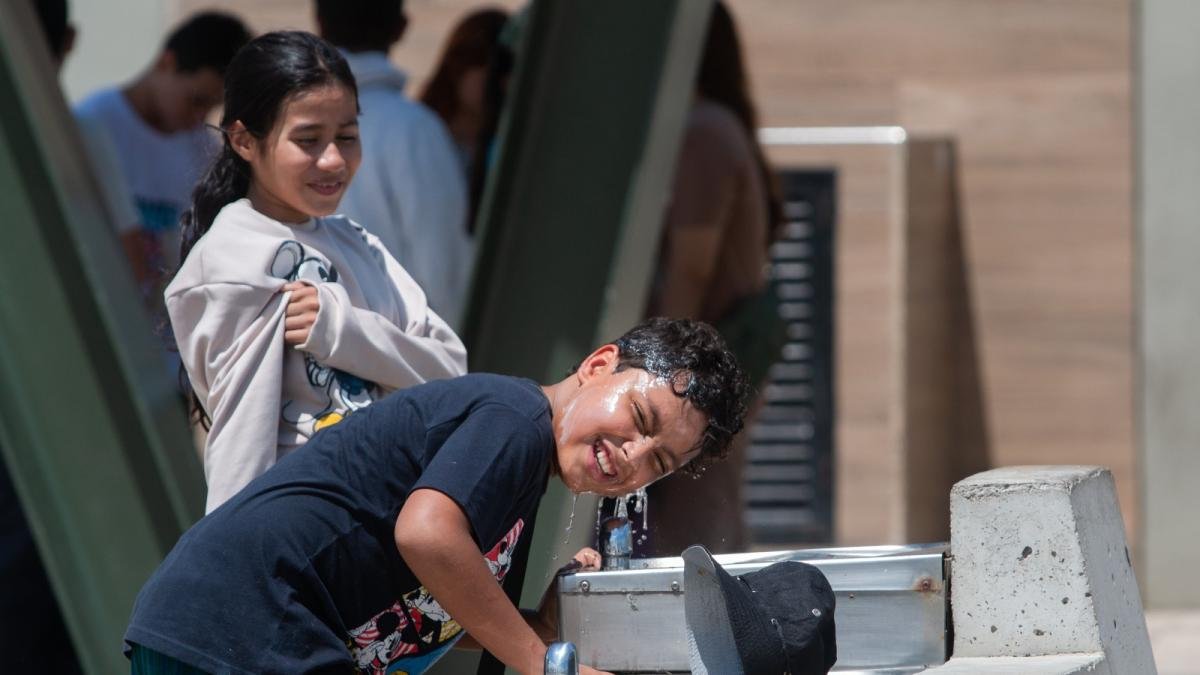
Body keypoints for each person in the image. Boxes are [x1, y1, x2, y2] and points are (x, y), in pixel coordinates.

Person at [123, 317, 751, 675]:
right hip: (242, 622)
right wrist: (545, 665)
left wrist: (552, 618)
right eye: (640, 418)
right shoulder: (515, 419)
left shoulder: (522, 479)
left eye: (659, 462)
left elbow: (455, 615)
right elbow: (426, 534)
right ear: (596, 365)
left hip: (237, 633)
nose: (633, 457)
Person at [167, 31, 467, 513]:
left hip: (395, 518)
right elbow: (243, 440)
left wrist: (343, 331)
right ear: (244, 140)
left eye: (346, 137)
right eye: (308, 140)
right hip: (310, 530)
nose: (333, 159)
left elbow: (450, 374)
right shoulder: (234, 257)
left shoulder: (359, 242)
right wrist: (235, 559)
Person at [636, 1, 785, 557]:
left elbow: (690, 268)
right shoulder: (711, 128)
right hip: (710, 362)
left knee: (692, 522)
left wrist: (655, 370)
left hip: (696, 368)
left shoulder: (704, 133)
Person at [315, 0, 472, 328]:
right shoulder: (415, 128)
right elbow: (442, 267)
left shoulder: (284, 126)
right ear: (402, 27)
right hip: (399, 358)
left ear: (319, 24)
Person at [74, 11, 251, 298]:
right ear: (166, 63)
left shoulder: (203, 151)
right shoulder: (92, 126)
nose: (200, 117)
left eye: (211, 106)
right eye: (196, 100)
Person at [420, 8, 510, 176]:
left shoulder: (509, 145)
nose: (506, 83)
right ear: (458, 66)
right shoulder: (421, 135)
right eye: (497, 71)